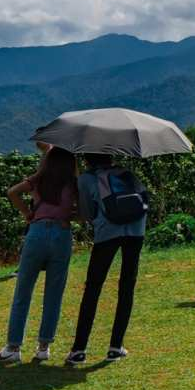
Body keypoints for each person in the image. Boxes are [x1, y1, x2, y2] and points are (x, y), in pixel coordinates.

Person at [0, 146, 78, 365]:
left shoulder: (39, 180)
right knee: (54, 293)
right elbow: (85, 211)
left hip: (37, 233)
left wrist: (28, 213)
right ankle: (43, 347)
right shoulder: (74, 183)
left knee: (23, 292)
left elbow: (12, 192)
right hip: (62, 234)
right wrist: (68, 215)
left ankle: (13, 347)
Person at [67, 153, 148, 365]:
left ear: (86, 157)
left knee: (93, 287)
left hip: (107, 234)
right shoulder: (127, 173)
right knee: (127, 285)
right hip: (136, 231)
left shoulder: (86, 178)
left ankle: (79, 350)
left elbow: (87, 214)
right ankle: (115, 347)